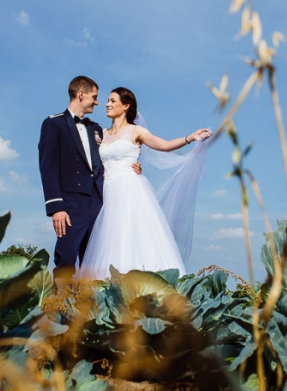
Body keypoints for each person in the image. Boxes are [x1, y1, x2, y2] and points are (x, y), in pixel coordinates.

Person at [78, 86, 211, 280]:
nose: (107, 104)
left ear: (126, 106)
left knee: (132, 234)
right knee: (110, 237)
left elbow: (164, 145)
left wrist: (190, 137)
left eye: (113, 101)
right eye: (107, 100)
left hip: (130, 189)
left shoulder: (136, 131)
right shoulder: (101, 134)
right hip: (107, 191)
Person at [38, 76, 141, 283]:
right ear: (81, 94)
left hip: (97, 203)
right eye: (94, 97)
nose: (97, 102)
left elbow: (110, 158)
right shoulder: (54, 124)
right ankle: (61, 302)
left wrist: (133, 167)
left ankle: (90, 302)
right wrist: (56, 208)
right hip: (70, 205)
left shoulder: (96, 129)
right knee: (66, 257)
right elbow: (48, 168)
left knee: (94, 260)